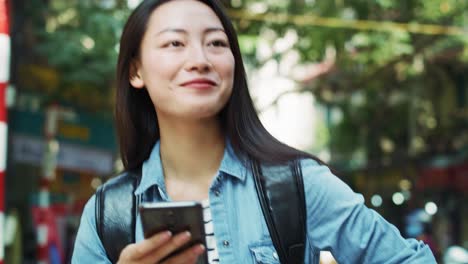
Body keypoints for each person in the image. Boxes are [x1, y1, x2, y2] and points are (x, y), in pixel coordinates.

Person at [72, 0, 437, 263]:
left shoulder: (298, 184)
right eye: (174, 43)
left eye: (216, 43)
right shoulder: (108, 214)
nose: (199, 59)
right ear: (135, 71)